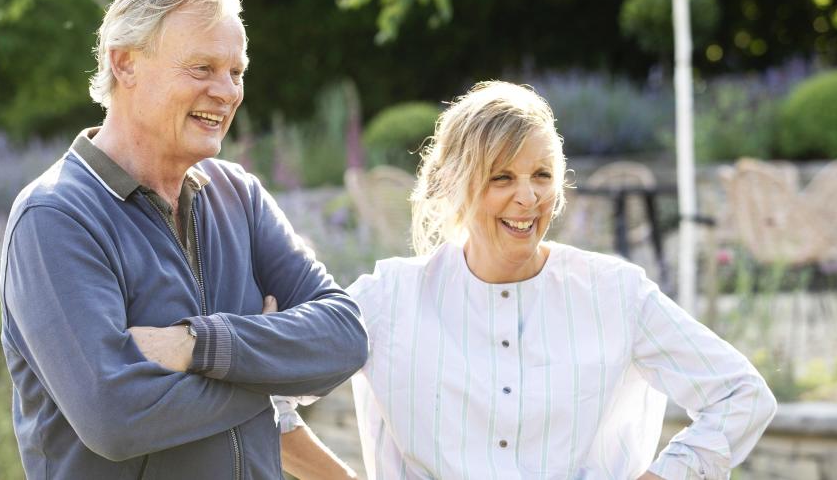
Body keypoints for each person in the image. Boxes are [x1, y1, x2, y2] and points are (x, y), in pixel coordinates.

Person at [277, 81, 777, 479]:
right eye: (502, 178)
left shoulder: (615, 294)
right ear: (455, 185)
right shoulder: (387, 299)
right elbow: (268, 403)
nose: (529, 197)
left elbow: (741, 395)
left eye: (541, 175)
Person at [0, 0, 368, 479]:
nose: (227, 92)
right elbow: (116, 418)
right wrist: (270, 367)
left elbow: (345, 335)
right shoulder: (54, 218)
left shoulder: (238, 194)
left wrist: (199, 345)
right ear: (124, 63)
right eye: (202, 68)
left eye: (236, 72)